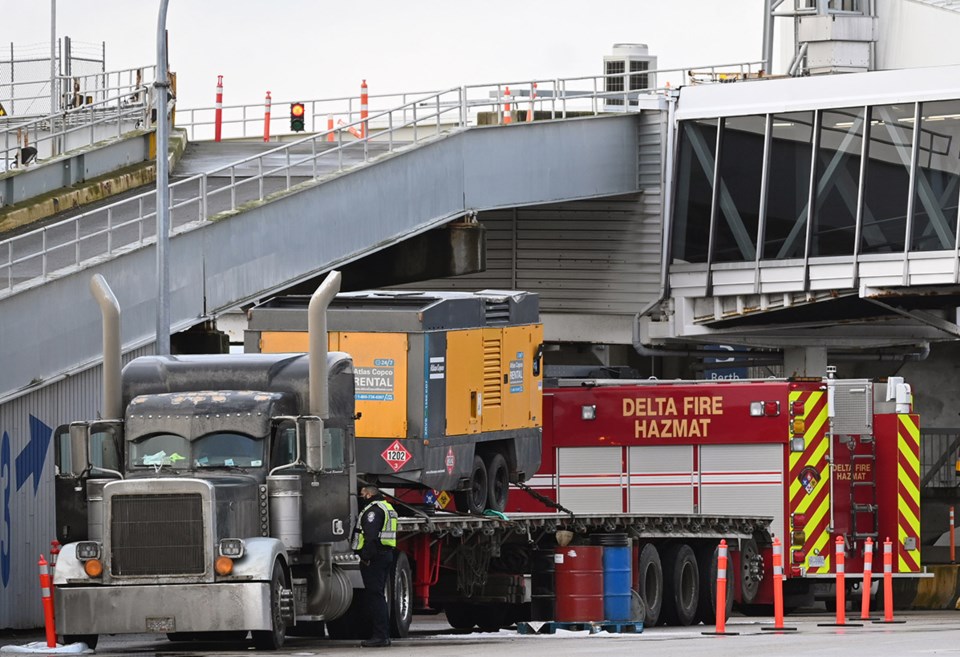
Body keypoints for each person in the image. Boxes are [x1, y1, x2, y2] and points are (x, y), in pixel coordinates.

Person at [351, 484, 398, 647]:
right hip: (385, 555)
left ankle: (380, 636)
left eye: (363, 493)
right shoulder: (387, 507)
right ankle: (382, 634)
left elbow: (370, 536)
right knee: (378, 596)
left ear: (369, 494)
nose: (361, 496)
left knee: (375, 596)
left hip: (375, 558)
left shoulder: (373, 510)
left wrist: (365, 557)